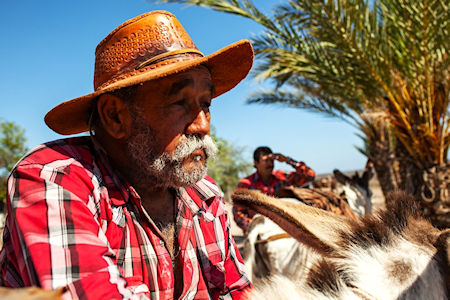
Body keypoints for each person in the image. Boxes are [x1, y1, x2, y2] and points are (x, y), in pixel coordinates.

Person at [0, 11, 254, 299]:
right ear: (115, 117)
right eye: (179, 102)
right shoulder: (55, 178)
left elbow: (238, 290)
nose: (202, 125)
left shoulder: (205, 197)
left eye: (205, 104)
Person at [233, 146, 316, 233]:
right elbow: (238, 213)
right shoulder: (245, 184)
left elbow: (310, 176)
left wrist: (288, 160)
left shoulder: (282, 178)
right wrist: (254, 228)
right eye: (266, 161)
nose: (270, 164)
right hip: (259, 233)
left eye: (272, 160)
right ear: (256, 163)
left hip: (285, 230)